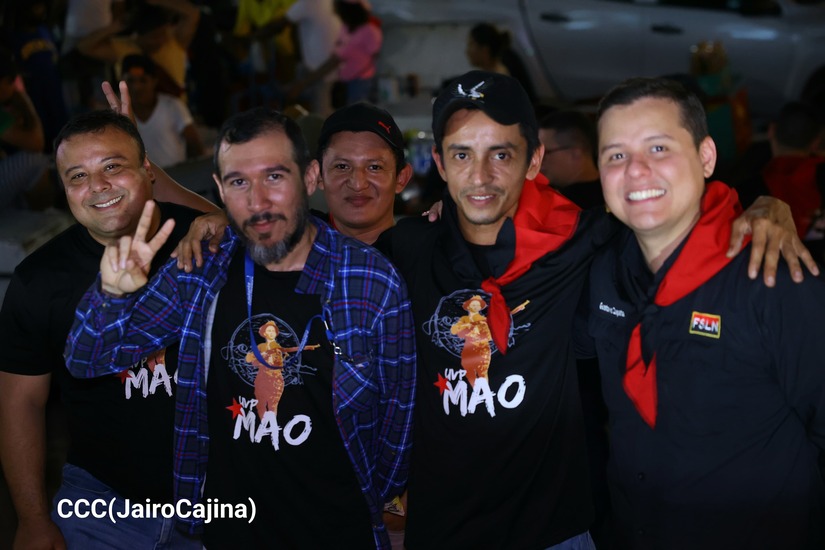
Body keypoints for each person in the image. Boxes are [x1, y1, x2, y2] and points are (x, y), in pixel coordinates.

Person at [376, 70, 817, 550]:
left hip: (559, 533)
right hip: (461, 531)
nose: (480, 175)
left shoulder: (591, 245)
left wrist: (767, 206)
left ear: (534, 160)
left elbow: (672, 218)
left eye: (500, 154)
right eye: (617, 156)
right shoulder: (412, 247)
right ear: (440, 163)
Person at [65, 106, 417, 548]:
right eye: (238, 182)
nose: (258, 201)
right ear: (219, 189)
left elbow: (398, 426)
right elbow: (87, 360)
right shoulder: (201, 266)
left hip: (338, 531)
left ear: (310, 178)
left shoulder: (370, 281)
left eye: (274, 177)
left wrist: (367, 499)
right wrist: (111, 296)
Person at [580, 76, 825, 549]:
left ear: (706, 157)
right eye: (616, 155)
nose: (636, 171)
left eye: (658, 148)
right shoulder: (603, 272)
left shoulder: (773, 279)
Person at [0, 108, 213, 549]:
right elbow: (20, 402)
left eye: (112, 166)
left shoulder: (205, 240)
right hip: (101, 501)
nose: (97, 186)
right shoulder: (39, 280)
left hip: (219, 497)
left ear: (147, 169)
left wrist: (225, 222)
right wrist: (33, 519)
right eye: (78, 175)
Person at [287, 0, 381, 108]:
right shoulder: (346, 29)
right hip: (346, 81)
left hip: (360, 83)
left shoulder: (369, 31)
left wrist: (303, 84)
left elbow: (335, 60)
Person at [122, 53, 205, 168]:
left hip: (177, 174)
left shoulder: (172, 106)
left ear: (154, 81)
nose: (136, 87)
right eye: (131, 81)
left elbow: (194, 144)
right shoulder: (119, 114)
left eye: (143, 80)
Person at [539, 109, 604, 209]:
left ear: (575, 153)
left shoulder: (565, 207)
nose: (538, 161)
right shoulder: (612, 193)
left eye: (545, 153)